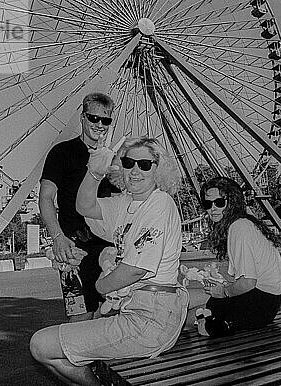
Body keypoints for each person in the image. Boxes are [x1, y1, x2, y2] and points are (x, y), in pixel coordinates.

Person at [30, 136, 189, 385]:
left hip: (150, 318)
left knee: (41, 345)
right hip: (137, 310)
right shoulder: (127, 203)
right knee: (61, 345)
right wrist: (94, 173)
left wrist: (100, 286)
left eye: (145, 165)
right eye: (128, 163)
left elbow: (135, 269)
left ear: (159, 169)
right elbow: (84, 206)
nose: (135, 170)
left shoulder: (160, 203)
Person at [39, 92, 120, 322]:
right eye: (94, 118)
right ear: (82, 117)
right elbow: (46, 198)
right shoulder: (61, 152)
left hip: (109, 248)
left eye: (106, 120)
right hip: (72, 248)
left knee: (110, 314)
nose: (99, 124)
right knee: (79, 318)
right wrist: (57, 237)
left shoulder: (113, 159)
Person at [195, 176, 281, 337]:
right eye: (208, 204)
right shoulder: (244, 223)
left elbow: (248, 283)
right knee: (204, 302)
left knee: (196, 310)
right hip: (269, 303)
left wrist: (223, 291)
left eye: (219, 202)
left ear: (232, 202)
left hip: (258, 304)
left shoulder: (239, 228)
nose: (213, 209)